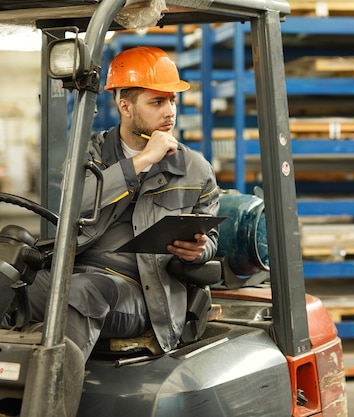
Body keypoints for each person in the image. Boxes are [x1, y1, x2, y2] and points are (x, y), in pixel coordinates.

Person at [27, 46, 220, 361]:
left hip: (143, 290)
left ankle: (51, 402)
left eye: (172, 100)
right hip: (74, 270)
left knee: (82, 293)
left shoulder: (194, 168)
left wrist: (200, 251)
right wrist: (141, 161)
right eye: (157, 102)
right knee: (9, 281)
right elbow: (72, 204)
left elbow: (209, 238)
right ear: (125, 106)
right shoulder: (91, 154)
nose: (169, 111)